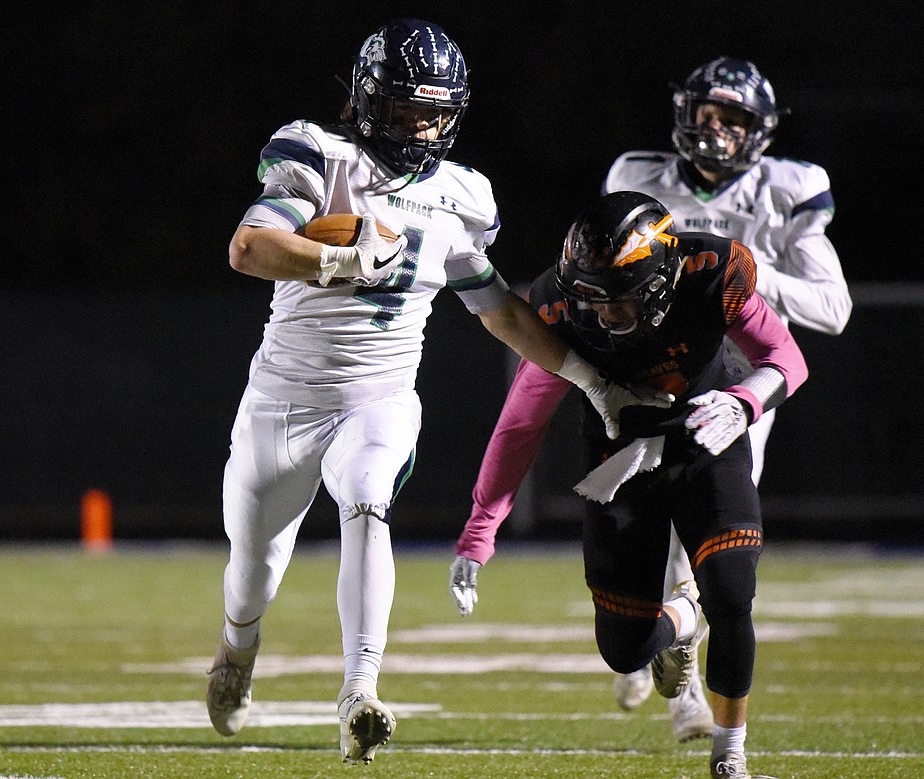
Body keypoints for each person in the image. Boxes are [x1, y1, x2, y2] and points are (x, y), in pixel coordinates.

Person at [205, 19, 663, 765]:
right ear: (366, 100)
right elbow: (248, 248)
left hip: (377, 398)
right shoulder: (320, 155)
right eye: (406, 109)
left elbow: (504, 311)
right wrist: (340, 258)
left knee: (367, 497)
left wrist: (590, 378)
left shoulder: (460, 196)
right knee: (251, 572)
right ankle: (237, 647)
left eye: (434, 112)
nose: (420, 126)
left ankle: (359, 691)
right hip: (281, 403)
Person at [449, 190, 809, 779]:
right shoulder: (558, 308)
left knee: (733, 589)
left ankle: (730, 756)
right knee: (625, 649)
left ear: (660, 278)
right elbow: (522, 420)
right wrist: (480, 529)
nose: (600, 316)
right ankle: (682, 618)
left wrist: (744, 403)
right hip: (621, 460)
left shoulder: (713, 270)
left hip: (705, 443)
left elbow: (785, 355)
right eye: (587, 299)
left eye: (616, 300)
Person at [601, 56, 853, 741]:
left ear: (760, 131)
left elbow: (832, 308)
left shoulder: (789, 190)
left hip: (742, 386)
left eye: (732, 118)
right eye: (706, 113)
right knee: (637, 534)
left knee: (710, 544)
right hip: (655, 374)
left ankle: (677, 687)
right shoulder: (638, 178)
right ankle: (642, 637)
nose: (715, 129)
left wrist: (743, 263)